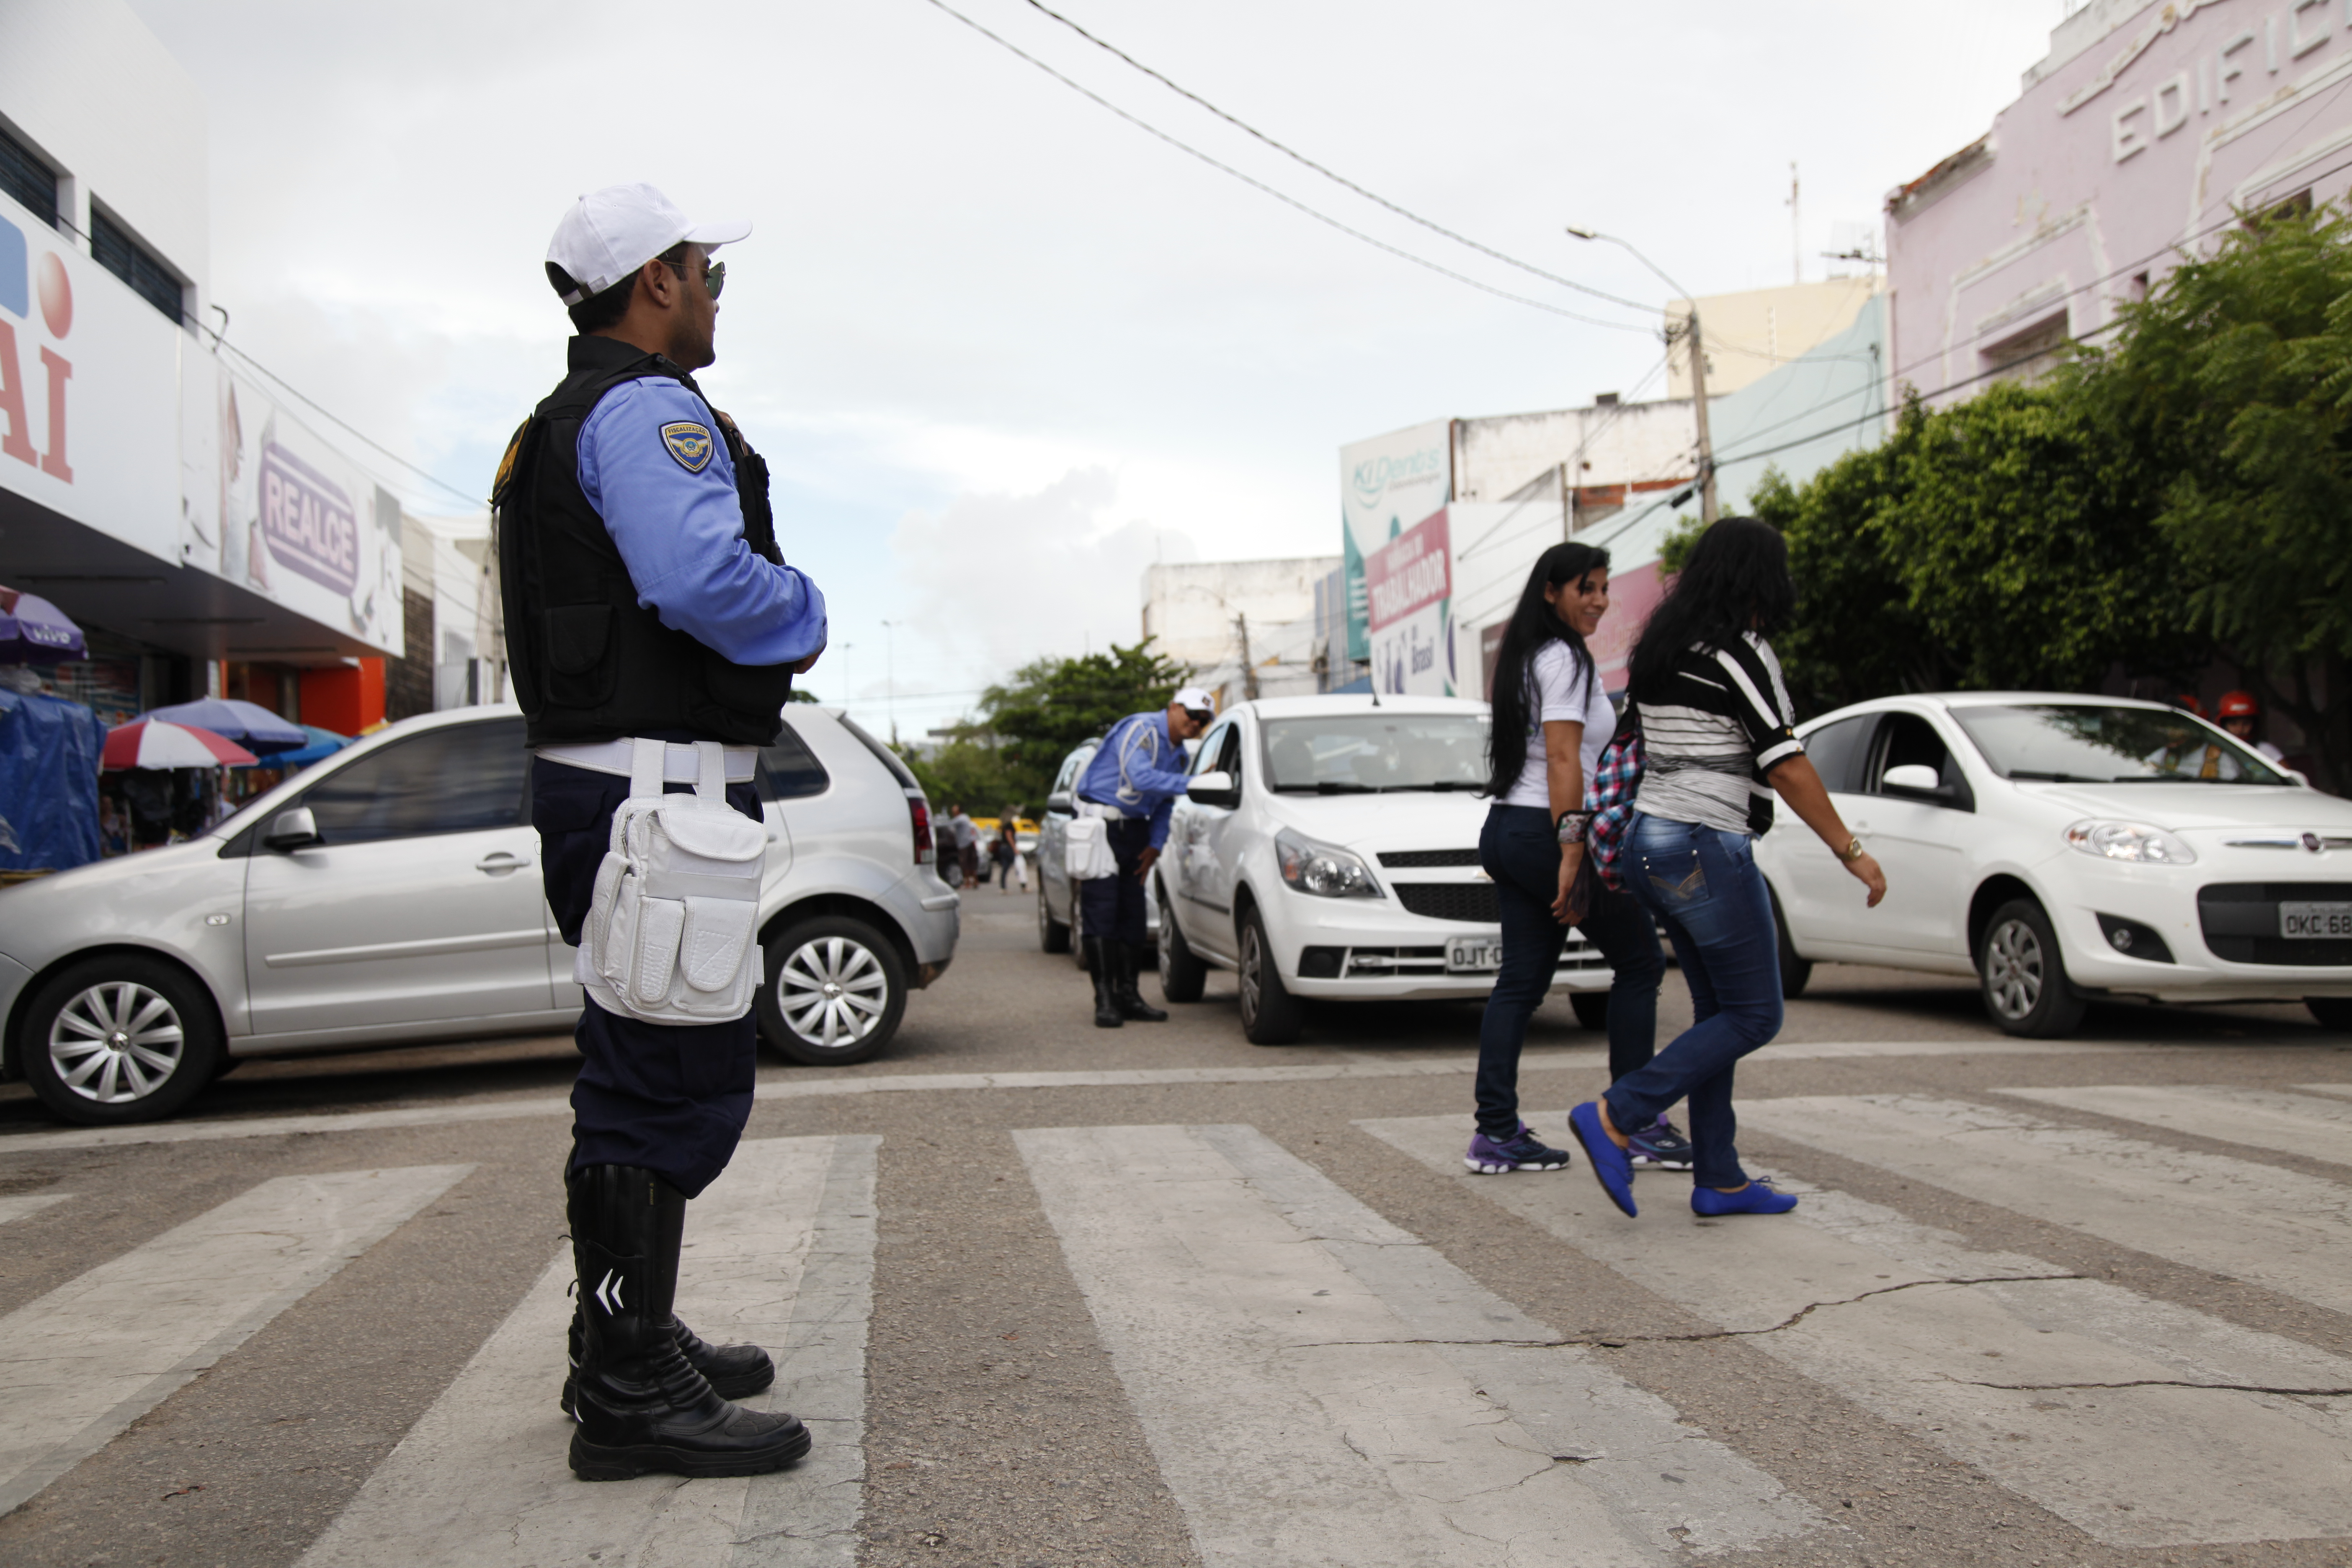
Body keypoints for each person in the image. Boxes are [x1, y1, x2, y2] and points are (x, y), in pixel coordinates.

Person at [495, 183, 825, 1481]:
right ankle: (629, 1391)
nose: (713, 294)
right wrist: (805, 607)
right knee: (658, 1088)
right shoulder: (643, 410)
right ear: (654, 283)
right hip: (655, 797)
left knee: (647, 1059)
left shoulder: (557, 423)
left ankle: (624, 1339)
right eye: (707, 272)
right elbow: (701, 584)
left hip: (631, 792)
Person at [1565, 518, 1886, 1220]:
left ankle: (1720, 1176)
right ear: (1760, 578)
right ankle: (1617, 1113)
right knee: (1756, 1013)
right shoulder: (1739, 653)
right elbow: (1786, 761)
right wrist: (1851, 850)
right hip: (1703, 846)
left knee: (1718, 1011)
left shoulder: (1661, 650)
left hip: (1652, 847)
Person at [1468, 543, 1670, 1176]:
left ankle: (1496, 1132)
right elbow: (1563, 760)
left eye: (1604, 588)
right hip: (1542, 832)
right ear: (1551, 591)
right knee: (1640, 962)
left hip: (1509, 827)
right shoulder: (1564, 660)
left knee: (1521, 986)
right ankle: (1634, 1121)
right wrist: (1572, 848)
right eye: (1586, 587)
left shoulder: (1527, 657)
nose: (1600, 600)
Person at [1075, 686, 1215, 1027]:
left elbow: (1164, 803)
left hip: (1136, 833)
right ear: (1173, 707)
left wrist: (1156, 844)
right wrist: (1194, 783)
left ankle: (1129, 995)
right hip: (1101, 827)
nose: (1197, 724)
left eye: (1204, 720)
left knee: (1134, 920)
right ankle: (1104, 1000)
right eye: (1192, 714)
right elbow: (1140, 777)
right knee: (1102, 916)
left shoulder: (1179, 755)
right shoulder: (1141, 730)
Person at [2218, 690, 2285, 762]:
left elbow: (2285, 772)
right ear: (2223, 725)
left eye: (2246, 724)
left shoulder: (2266, 750)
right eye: (2233, 724)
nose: (2240, 729)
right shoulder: (2212, 751)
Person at [949, 804, 980, 890]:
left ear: (959, 811)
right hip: (968, 843)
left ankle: (969, 882)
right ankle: (973, 882)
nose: (953, 812)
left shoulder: (962, 818)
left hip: (965, 844)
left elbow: (950, 824)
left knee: (965, 863)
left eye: (954, 810)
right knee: (971, 863)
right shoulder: (965, 817)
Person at [992, 815, 1019, 892]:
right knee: (1018, 865)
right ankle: (1023, 884)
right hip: (1008, 848)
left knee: (1005, 867)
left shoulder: (1003, 825)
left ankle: (1003, 886)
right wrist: (1014, 848)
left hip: (1003, 847)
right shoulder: (1009, 825)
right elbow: (1009, 836)